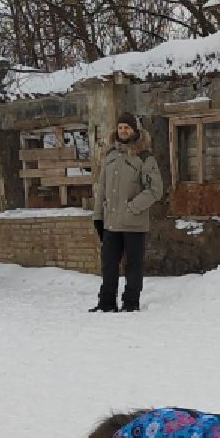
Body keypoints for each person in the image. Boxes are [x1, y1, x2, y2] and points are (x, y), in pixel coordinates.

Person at [91, 112, 164, 313]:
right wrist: (98, 216)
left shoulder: (144, 158)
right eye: (121, 127)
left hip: (134, 223)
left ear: (134, 130)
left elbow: (155, 190)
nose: (123, 131)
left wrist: (132, 208)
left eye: (127, 127)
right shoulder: (110, 156)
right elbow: (101, 189)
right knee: (109, 265)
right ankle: (107, 303)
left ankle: (131, 303)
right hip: (111, 222)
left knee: (133, 265)